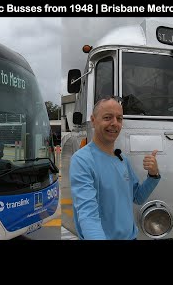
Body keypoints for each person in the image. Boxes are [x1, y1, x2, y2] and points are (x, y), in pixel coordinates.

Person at [69, 96, 160, 240]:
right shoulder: (82, 160)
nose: (115, 123)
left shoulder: (122, 159)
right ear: (93, 120)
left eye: (119, 118)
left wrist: (153, 176)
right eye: (107, 117)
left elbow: (137, 197)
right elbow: (88, 215)